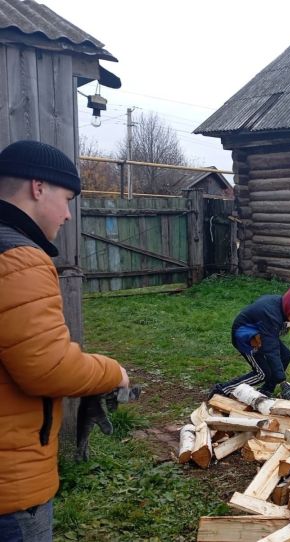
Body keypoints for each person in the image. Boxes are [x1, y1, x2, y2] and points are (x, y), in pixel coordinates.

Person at [0, 140, 129, 541]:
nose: (69, 214)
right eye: (67, 198)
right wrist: (114, 373)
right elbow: (47, 368)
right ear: (38, 187)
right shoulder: (18, 257)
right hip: (10, 480)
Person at [211, 283, 290, 400]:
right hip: (245, 337)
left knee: (286, 355)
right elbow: (271, 350)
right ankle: (222, 389)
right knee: (262, 373)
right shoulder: (272, 315)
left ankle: (266, 390)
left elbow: (272, 339)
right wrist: (282, 381)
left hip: (261, 333)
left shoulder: (281, 305)